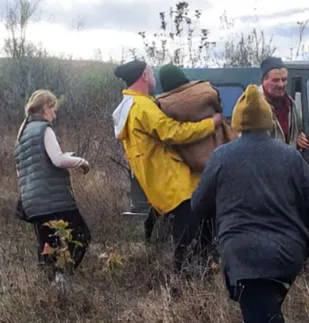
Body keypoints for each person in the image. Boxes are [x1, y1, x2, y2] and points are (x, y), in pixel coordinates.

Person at [191, 84, 309, 323]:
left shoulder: (222, 156)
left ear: (239, 122)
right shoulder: (290, 155)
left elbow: (198, 205)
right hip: (287, 257)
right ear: (267, 122)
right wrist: (294, 228)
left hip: (246, 259)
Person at [111, 59, 224, 274]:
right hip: (176, 186)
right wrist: (211, 124)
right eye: (151, 73)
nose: (154, 78)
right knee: (187, 242)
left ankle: (192, 276)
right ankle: (185, 285)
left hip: (160, 187)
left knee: (188, 236)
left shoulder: (127, 107)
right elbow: (173, 132)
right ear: (144, 76)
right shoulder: (143, 106)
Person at [14, 89, 92, 292]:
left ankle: (52, 293)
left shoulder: (22, 135)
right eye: (53, 110)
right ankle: (63, 278)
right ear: (45, 108)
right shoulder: (43, 129)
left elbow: (25, 170)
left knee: (48, 247)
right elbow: (57, 160)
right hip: (52, 200)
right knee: (82, 236)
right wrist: (81, 161)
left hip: (32, 202)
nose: (55, 115)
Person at [258, 56, 309, 151]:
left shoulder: (290, 104)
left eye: (284, 79)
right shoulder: (252, 106)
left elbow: (295, 133)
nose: (281, 85)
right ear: (264, 80)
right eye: (276, 80)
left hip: (286, 162)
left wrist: (298, 139)